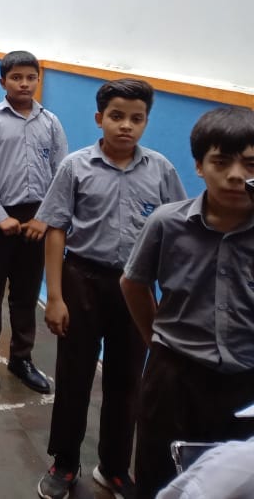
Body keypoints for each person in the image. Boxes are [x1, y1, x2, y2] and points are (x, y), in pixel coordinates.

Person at [34, 79, 186, 499]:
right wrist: (55, 296)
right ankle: (65, 461)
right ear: (100, 118)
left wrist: (169, 297)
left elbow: (175, 234)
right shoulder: (76, 167)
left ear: (146, 122)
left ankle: (115, 467)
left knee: (126, 379)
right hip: (82, 279)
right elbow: (56, 229)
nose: (126, 126)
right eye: (117, 116)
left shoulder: (161, 170)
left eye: (137, 119)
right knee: (74, 375)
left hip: (135, 287)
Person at [121, 106, 254, 499]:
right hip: (175, 381)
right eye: (221, 162)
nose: (236, 175)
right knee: (159, 477)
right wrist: (156, 340)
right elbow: (134, 283)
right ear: (199, 166)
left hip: (246, 385)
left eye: (250, 165)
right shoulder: (167, 223)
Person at [0, 51, 67, 394]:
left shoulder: (51, 122)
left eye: (30, 77)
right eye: (16, 77)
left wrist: (43, 218)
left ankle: (22, 357)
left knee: (26, 292)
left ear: (38, 80)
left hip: (36, 220)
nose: (24, 84)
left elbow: (61, 174)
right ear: (2, 81)